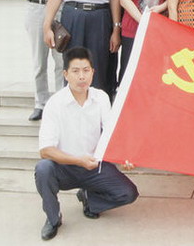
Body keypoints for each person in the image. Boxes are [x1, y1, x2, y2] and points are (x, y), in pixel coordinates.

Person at [35, 47, 138, 241]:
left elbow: (112, 132)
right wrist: (77, 161)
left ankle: (90, 200)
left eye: (86, 70)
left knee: (128, 193)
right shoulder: (55, 104)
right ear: (66, 74)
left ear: (93, 72)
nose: (81, 76)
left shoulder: (101, 98)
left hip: (94, 166)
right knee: (43, 169)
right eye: (75, 71)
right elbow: (45, 150)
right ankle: (53, 218)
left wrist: (125, 156)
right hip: (64, 167)